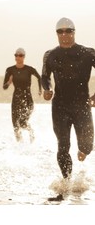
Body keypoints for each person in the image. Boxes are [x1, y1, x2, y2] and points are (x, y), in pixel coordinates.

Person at [41, 17, 95, 184]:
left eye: (68, 31)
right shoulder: (50, 55)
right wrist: (47, 89)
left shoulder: (88, 53)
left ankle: (84, 151)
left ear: (74, 32)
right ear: (57, 33)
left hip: (82, 105)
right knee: (63, 145)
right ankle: (67, 181)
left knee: (87, 145)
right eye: (60, 31)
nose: (64, 34)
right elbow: (45, 76)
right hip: (60, 106)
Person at [3, 48, 41, 143]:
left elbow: (39, 78)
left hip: (27, 98)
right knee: (15, 124)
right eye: (16, 55)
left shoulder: (29, 69)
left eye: (20, 55)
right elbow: (4, 87)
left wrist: (40, 90)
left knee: (23, 123)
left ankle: (31, 134)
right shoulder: (10, 70)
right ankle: (20, 144)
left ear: (24, 57)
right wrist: (9, 82)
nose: (18, 57)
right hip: (16, 98)